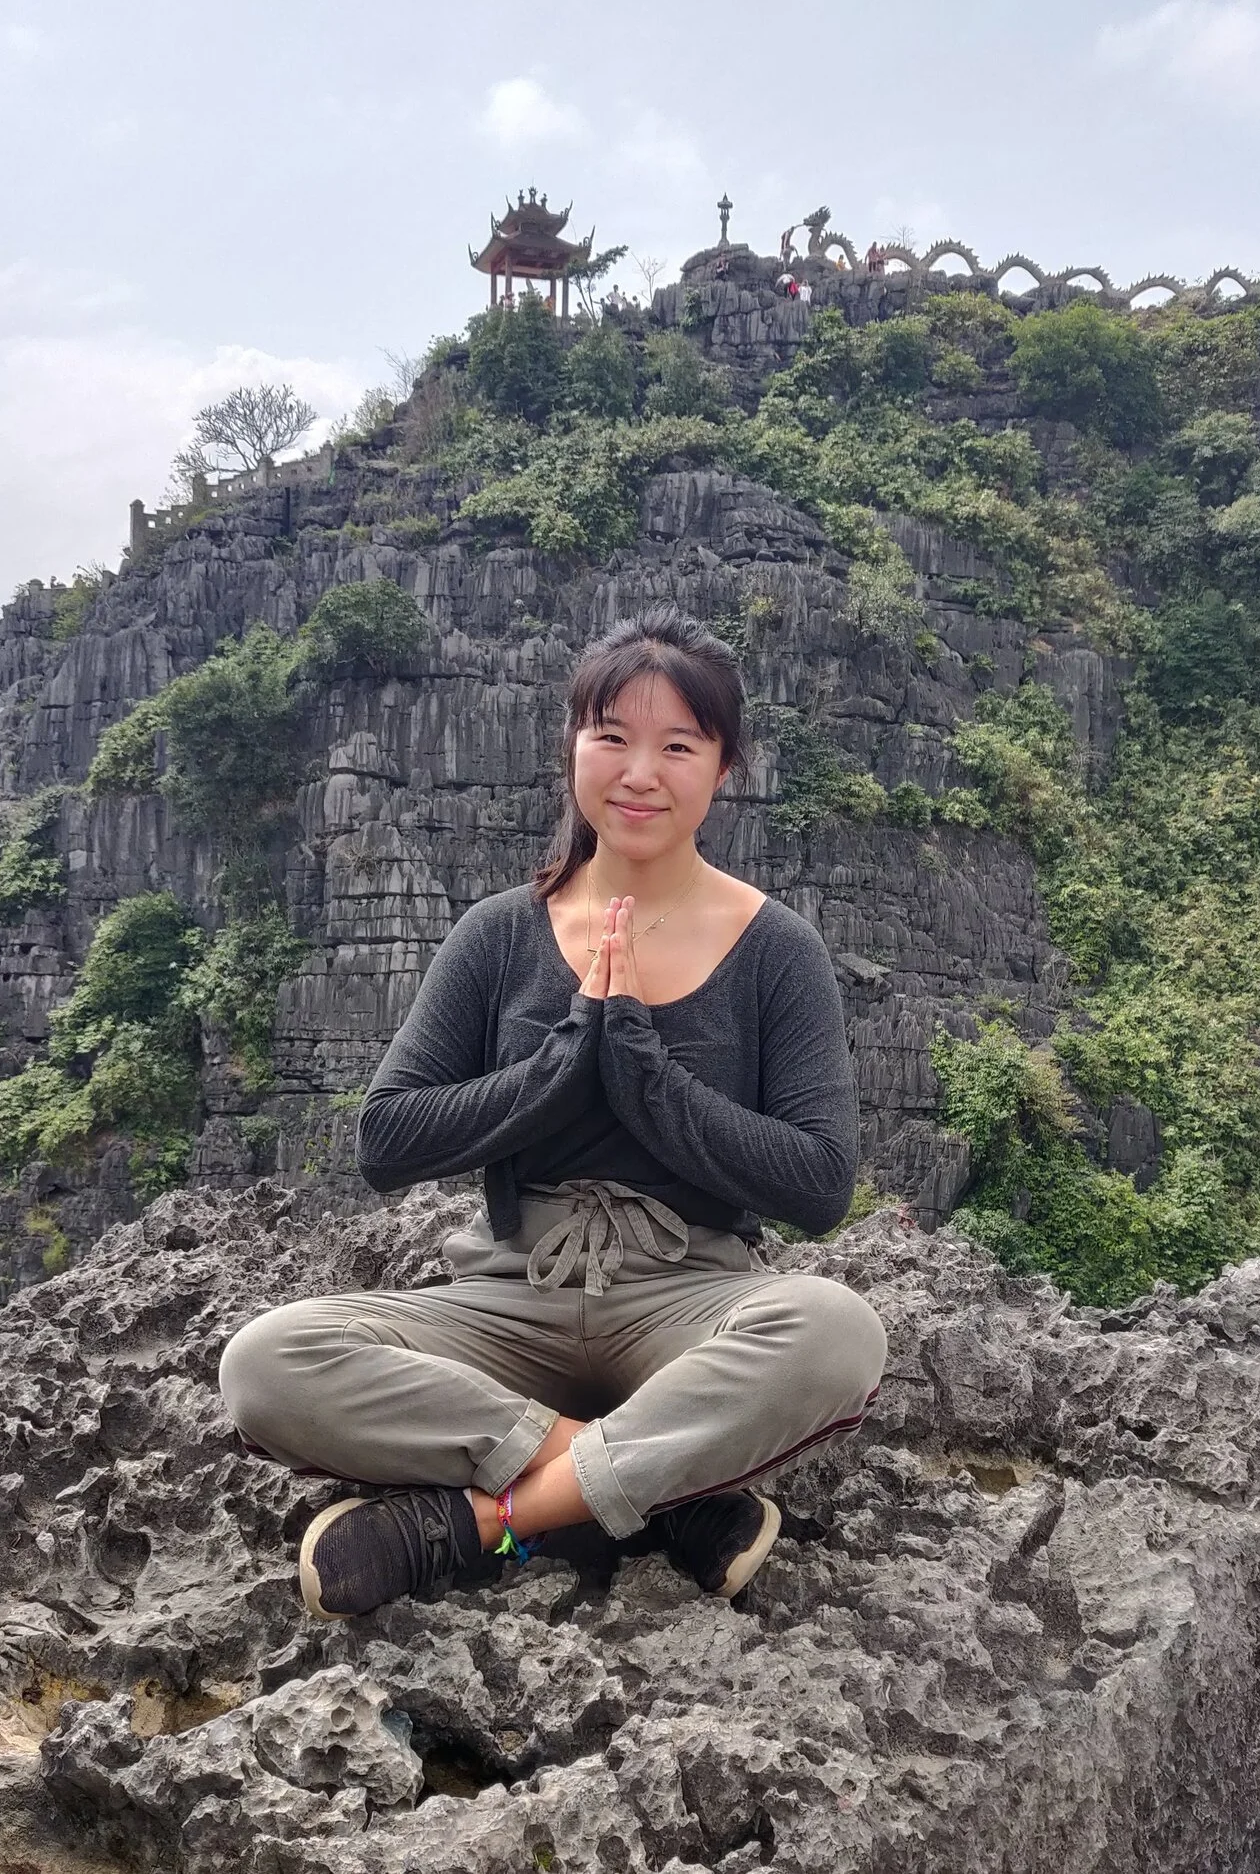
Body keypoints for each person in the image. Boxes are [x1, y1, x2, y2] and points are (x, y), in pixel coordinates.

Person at [218, 608, 881, 1622]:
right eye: (611, 736)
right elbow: (387, 1139)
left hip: (688, 1295)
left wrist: (645, 1071)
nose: (639, 773)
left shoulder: (776, 949)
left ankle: (475, 1524)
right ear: (573, 746)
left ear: (724, 768)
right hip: (509, 1293)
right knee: (266, 1363)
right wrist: (563, 1063)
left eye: (678, 746)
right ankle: (658, 1496)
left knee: (835, 1332)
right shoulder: (499, 934)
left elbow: (818, 1184)